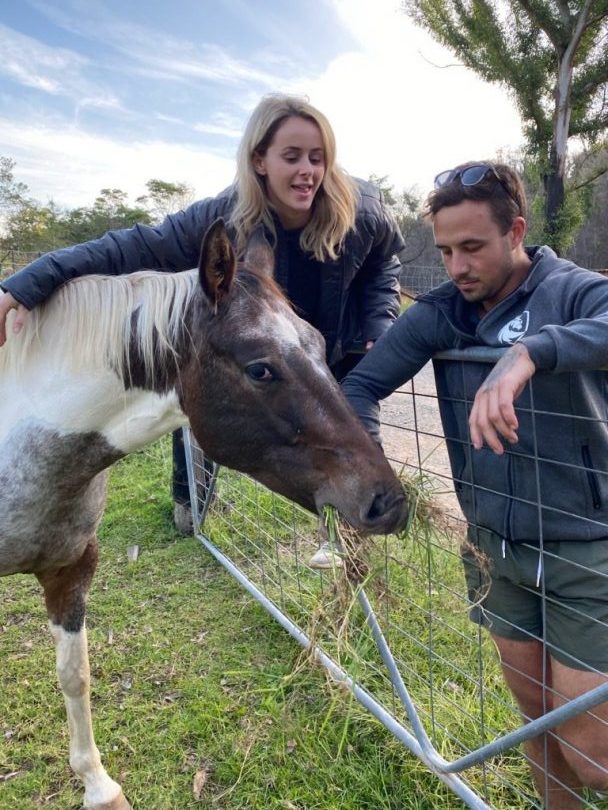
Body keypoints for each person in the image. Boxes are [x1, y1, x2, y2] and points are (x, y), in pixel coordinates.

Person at [0, 93, 404, 537]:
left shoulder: (361, 210)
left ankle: (352, 535)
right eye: (292, 157)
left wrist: (377, 324)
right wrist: (20, 285)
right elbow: (127, 247)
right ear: (260, 161)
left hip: (318, 349)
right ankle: (190, 505)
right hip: (252, 348)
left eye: (318, 157)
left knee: (352, 446)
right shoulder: (222, 214)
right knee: (206, 406)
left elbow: (385, 263)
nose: (308, 170)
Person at [342, 161, 608, 808]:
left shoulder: (572, 291)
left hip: (584, 552)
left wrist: (528, 354)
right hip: (493, 550)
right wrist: (371, 475)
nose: (458, 266)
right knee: (536, 719)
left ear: (515, 230)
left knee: (592, 754)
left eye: (473, 248)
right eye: (445, 250)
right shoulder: (442, 313)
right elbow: (359, 388)